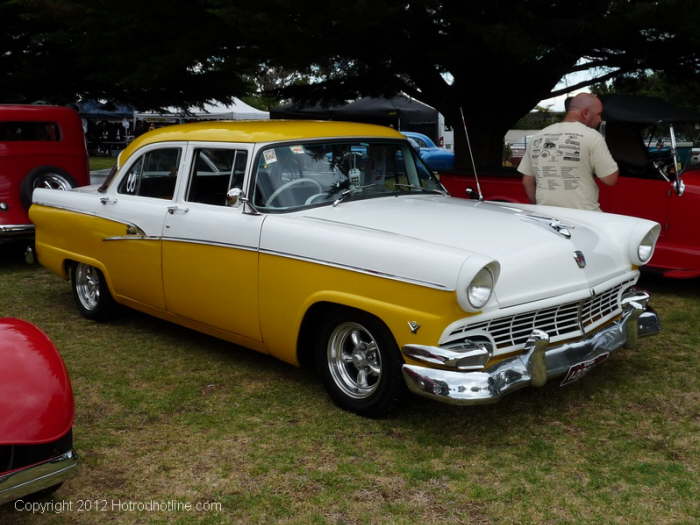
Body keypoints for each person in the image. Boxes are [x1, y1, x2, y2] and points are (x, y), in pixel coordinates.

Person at [518, 93, 618, 211]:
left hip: (548, 215)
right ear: (585, 113)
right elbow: (610, 179)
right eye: (598, 114)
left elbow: (527, 181)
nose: (600, 119)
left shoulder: (538, 136)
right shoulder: (592, 136)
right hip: (585, 216)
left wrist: (541, 207)